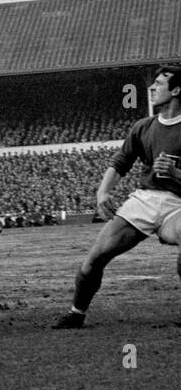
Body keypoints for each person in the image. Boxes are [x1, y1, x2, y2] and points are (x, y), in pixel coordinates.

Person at [55, 64, 181, 328]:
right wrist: (103, 192)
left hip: (177, 205)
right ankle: (76, 314)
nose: (152, 88)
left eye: (159, 83)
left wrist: (175, 172)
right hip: (144, 200)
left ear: (177, 90)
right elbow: (121, 162)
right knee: (94, 260)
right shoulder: (143, 126)